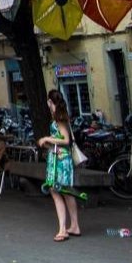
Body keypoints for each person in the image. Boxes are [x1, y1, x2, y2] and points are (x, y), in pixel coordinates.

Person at [37, 89, 84, 242]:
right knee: (66, 192)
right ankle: (74, 225)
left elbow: (65, 140)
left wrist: (47, 138)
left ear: (50, 102)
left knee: (56, 191)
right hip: (62, 159)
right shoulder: (62, 116)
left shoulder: (58, 118)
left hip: (59, 160)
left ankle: (63, 229)